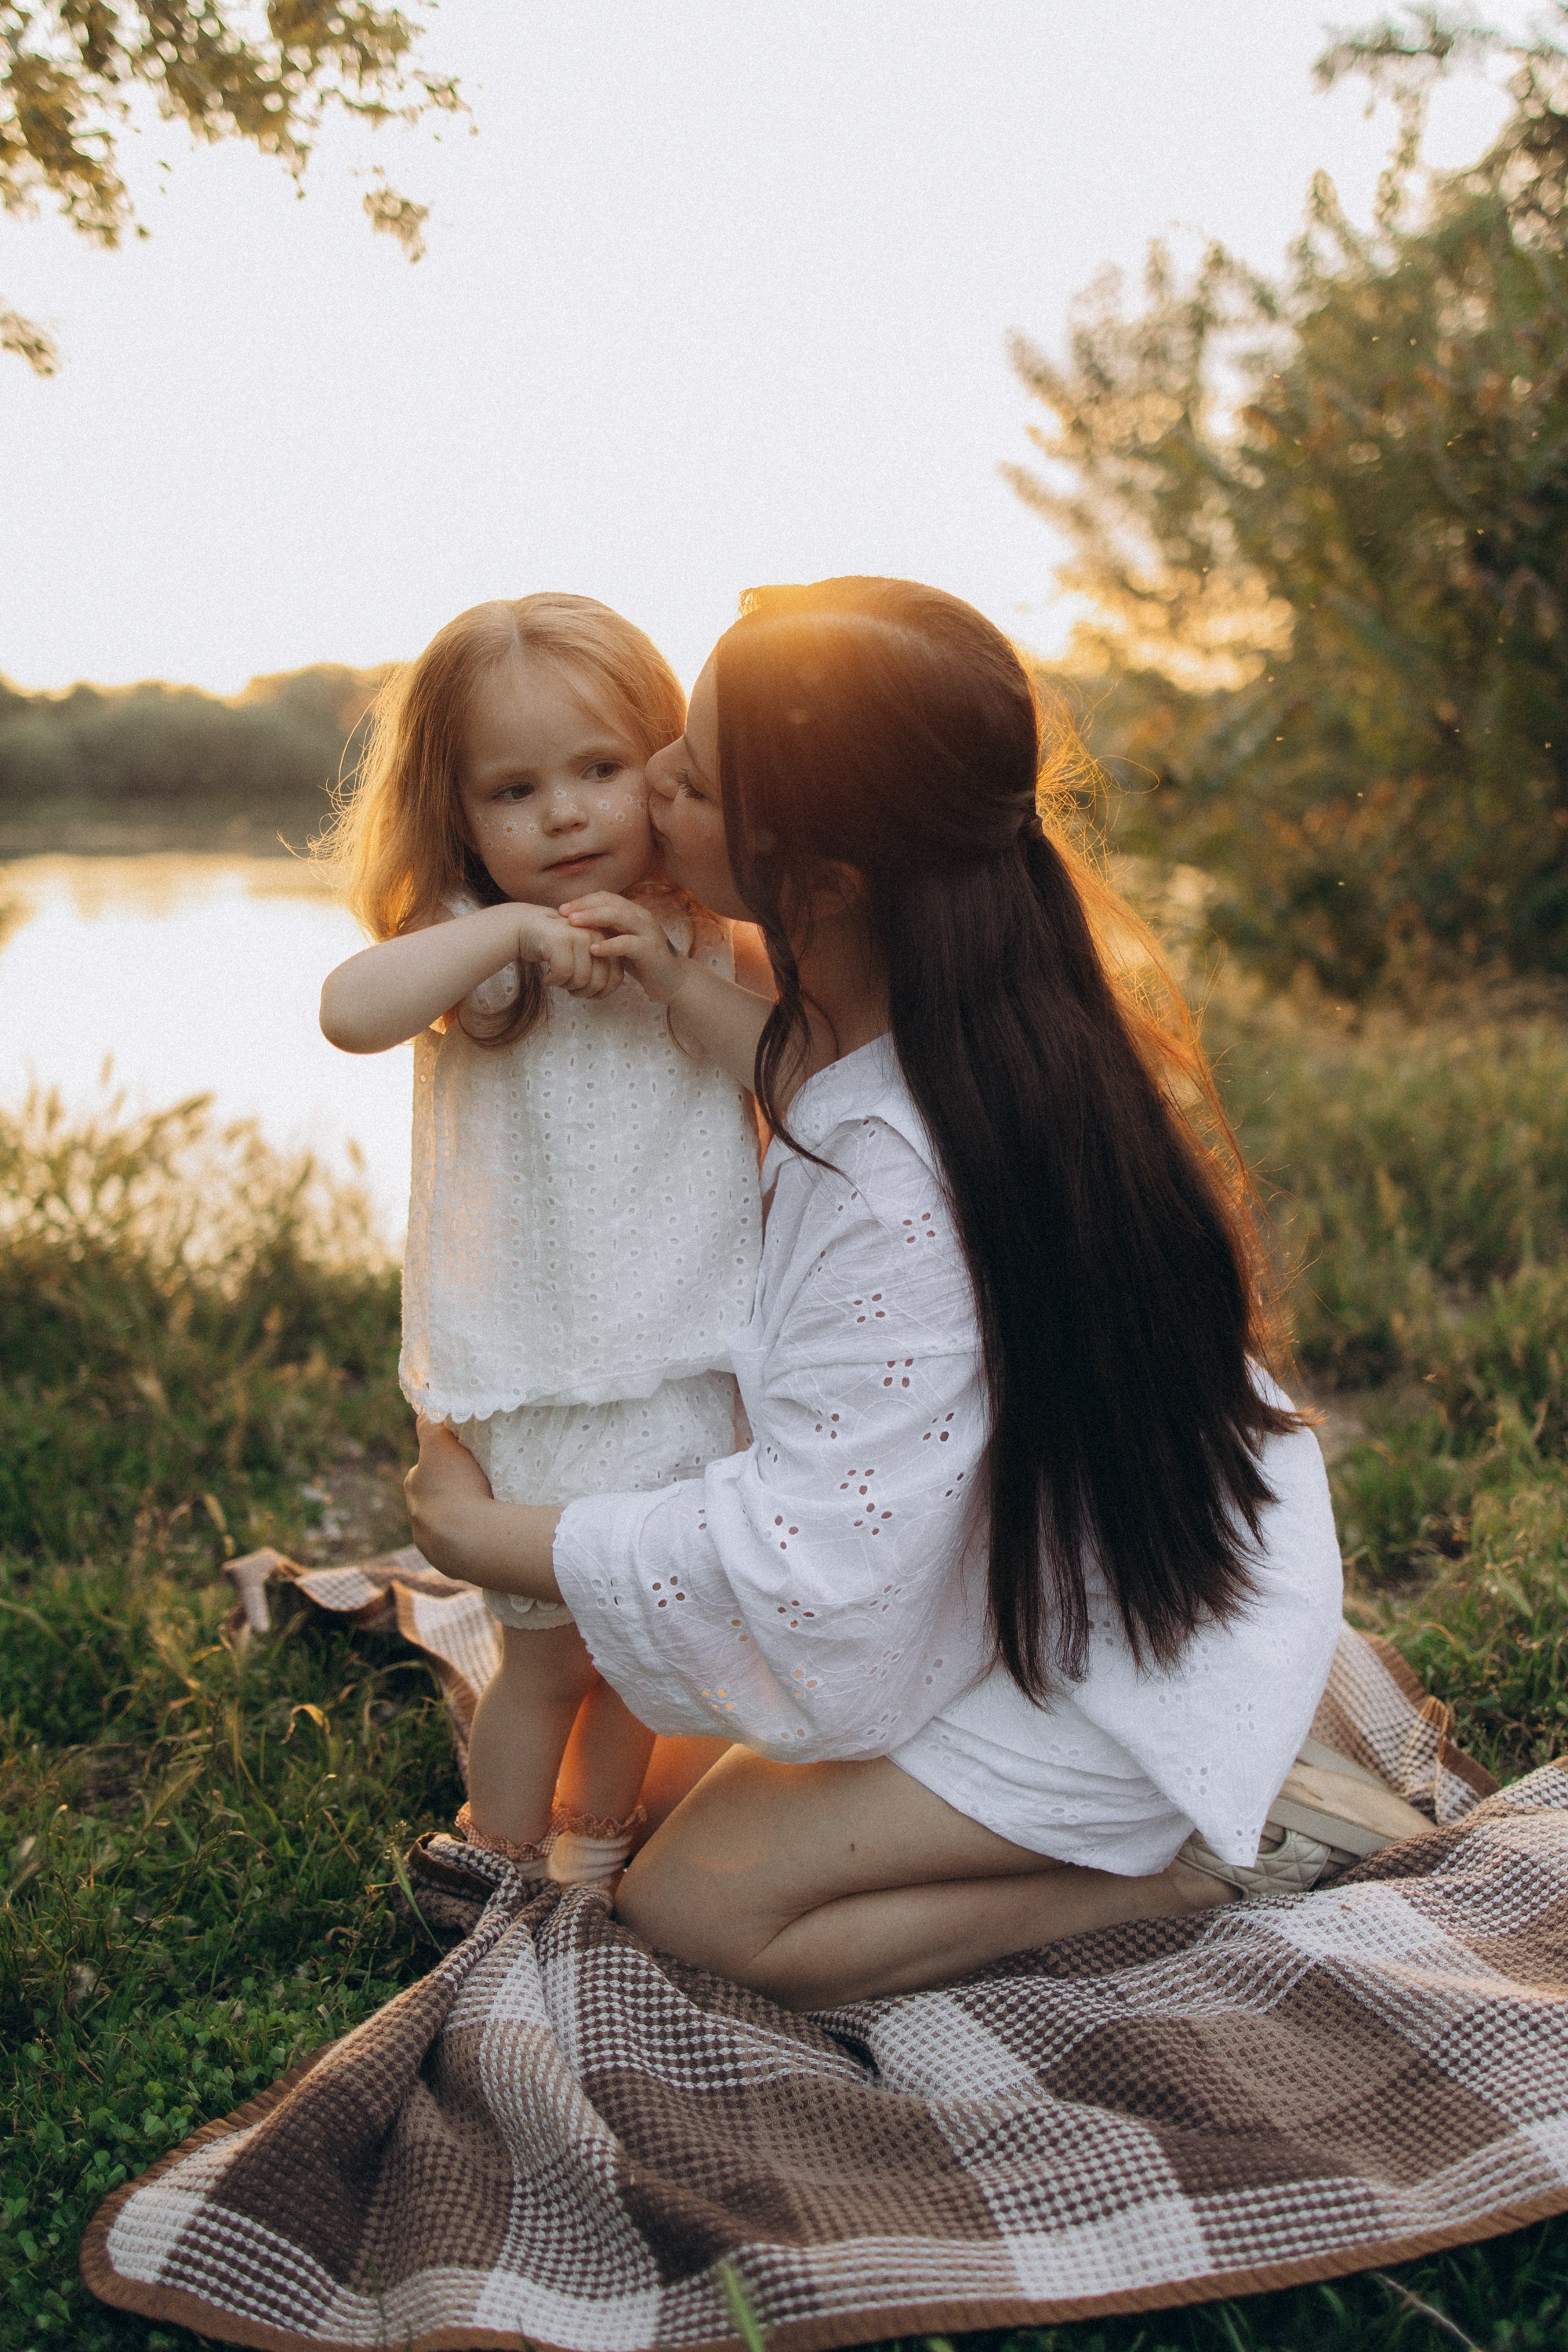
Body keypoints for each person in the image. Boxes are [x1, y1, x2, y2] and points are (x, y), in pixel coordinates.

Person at [403, 575, 1347, 2005]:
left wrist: (497, 1539)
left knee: (694, 1910)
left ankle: (1175, 1872)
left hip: (1102, 1680)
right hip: (1040, 1575)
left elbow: (818, 1576)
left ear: (824, 878)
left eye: (692, 776)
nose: (646, 783)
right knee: (656, 1779)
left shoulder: (904, 1174)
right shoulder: (918, 1026)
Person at [319, 594, 771, 1887]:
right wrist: (507, 933)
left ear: (666, 770)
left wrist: (681, 978)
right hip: (530, 1373)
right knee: (548, 1654)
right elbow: (350, 1012)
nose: (565, 814)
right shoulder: (475, 947)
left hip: (686, 1360)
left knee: (651, 1642)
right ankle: (492, 1858)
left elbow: (799, 1062)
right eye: (514, 791)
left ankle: (595, 1851)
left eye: (600, 770)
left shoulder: (697, 929)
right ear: (455, 814)